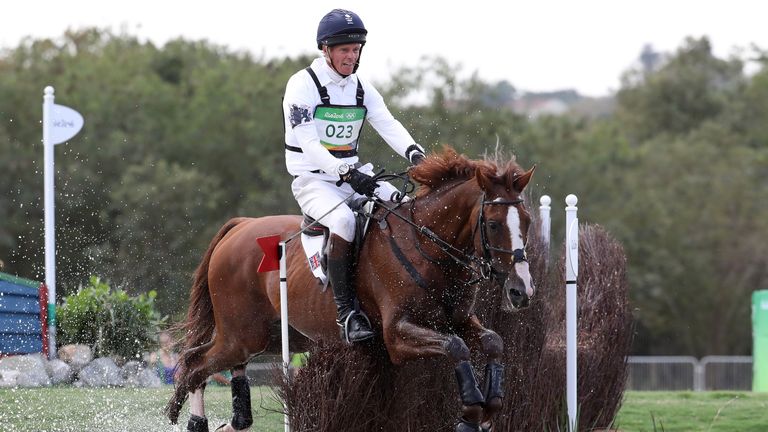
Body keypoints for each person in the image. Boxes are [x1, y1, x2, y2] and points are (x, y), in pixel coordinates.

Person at [283, 8, 425, 344]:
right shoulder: (302, 85)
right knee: (345, 221)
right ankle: (347, 313)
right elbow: (309, 143)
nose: (352, 56)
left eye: (356, 49)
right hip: (313, 181)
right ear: (326, 49)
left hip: (353, 176)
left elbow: (387, 123)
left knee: (402, 206)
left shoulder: (361, 88)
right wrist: (344, 171)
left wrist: (416, 154)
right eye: (345, 50)